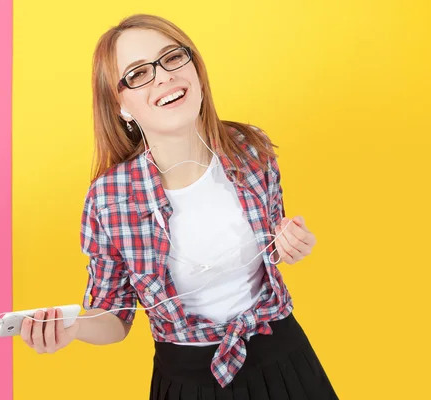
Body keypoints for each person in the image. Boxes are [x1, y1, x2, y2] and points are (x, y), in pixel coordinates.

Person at [20, 14, 339, 399]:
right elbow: (115, 319)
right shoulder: (109, 200)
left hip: (286, 362)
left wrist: (295, 243)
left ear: (196, 69)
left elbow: (276, 241)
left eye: (172, 57)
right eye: (138, 73)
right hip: (189, 382)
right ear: (120, 105)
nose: (163, 76)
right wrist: (69, 327)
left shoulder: (250, 150)